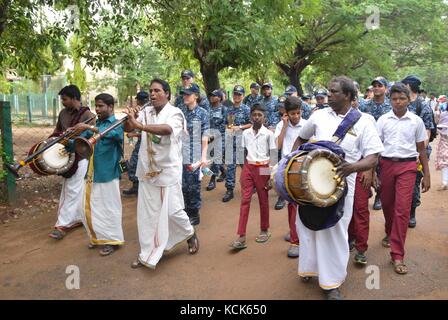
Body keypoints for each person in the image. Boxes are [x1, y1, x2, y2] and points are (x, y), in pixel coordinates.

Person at [292, 76, 383, 300]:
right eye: (328, 91)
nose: (329, 95)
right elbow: (301, 138)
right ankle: (310, 268)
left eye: (334, 92)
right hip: (312, 180)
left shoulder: (364, 121)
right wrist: (292, 161)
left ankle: (331, 282)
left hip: (344, 182)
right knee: (308, 224)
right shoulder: (318, 115)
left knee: (333, 229)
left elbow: (373, 157)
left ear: (349, 96)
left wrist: (352, 167)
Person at [123, 78, 198, 269]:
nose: (153, 94)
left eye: (157, 91)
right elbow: (128, 129)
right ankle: (147, 254)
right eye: (151, 91)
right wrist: (130, 119)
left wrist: (140, 126)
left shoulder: (176, 113)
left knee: (174, 211)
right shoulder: (146, 111)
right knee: (147, 215)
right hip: (147, 170)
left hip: (168, 170)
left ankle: (189, 233)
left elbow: (167, 130)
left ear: (167, 94)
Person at [376, 83, 430, 275]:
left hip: (408, 167)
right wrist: (374, 171)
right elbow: (375, 148)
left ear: (409, 99)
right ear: (390, 100)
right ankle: (389, 231)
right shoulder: (382, 120)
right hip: (386, 165)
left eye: (402, 98)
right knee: (388, 205)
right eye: (394, 99)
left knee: (402, 210)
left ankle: (397, 255)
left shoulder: (416, 121)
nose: (398, 102)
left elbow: (421, 149)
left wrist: (426, 175)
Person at [69, 93, 125, 256]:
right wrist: (68, 141)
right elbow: (81, 141)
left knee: (109, 208)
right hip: (92, 173)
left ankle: (113, 240)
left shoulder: (116, 124)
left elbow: (114, 135)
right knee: (90, 207)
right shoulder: (98, 123)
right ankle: (98, 237)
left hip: (107, 173)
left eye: (101, 106)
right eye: (96, 106)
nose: (97, 109)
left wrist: (88, 127)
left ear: (110, 107)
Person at [48, 84, 95, 240]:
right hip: (65, 156)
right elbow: (57, 132)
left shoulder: (88, 115)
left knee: (73, 189)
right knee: (71, 188)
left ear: (75, 98)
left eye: (65, 99)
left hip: (81, 156)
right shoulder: (63, 113)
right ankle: (77, 218)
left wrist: (73, 140)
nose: (63, 101)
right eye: (62, 99)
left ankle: (62, 224)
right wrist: (47, 144)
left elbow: (91, 138)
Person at [230, 102, 276, 250]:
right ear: (250, 116)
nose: (256, 117)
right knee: (245, 200)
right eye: (254, 115)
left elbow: (273, 156)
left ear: (264, 118)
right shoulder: (245, 133)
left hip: (263, 167)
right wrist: (244, 171)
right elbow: (243, 152)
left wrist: (271, 175)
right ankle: (241, 236)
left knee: (263, 200)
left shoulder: (269, 134)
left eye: (259, 115)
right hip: (249, 167)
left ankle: (264, 229)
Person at [274, 96, 307, 258]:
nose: (295, 116)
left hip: (303, 168)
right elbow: (277, 146)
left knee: (300, 204)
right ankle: (294, 235)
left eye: (298, 113)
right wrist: (285, 127)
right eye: (292, 113)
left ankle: (297, 237)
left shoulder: (307, 125)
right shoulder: (281, 125)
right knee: (291, 203)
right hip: (286, 168)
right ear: (286, 114)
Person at [401, 75, 434, 228]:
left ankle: (411, 213)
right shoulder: (401, 103)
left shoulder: (423, 105)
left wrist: (417, 154)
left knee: (414, 183)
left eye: (403, 85)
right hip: (400, 151)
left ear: (408, 86)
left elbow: (426, 133)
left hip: (417, 153)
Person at [179, 83, 210, 226]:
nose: (185, 96)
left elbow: (205, 136)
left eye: (188, 94)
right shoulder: (180, 111)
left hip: (195, 153)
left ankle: (194, 213)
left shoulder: (203, 113)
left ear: (195, 96)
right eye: (184, 94)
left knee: (193, 184)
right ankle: (184, 210)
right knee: (181, 183)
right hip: (179, 152)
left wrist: (203, 157)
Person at [359, 76, 392, 211]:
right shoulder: (364, 105)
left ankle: (379, 196)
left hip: (385, 144)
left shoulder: (391, 105)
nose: (377, 88)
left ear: (386, 89)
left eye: (380, 85)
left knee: (381, 171)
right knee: (364, 169)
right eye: (375, 85)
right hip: (367, 143)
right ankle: (365, 193)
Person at [222, 85, 252, 202]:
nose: (237, 96)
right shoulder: (229, 109)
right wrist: (229, 128)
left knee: (246, 168)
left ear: (243, 96)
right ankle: (229, 190)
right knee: (230, 168)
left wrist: (239, 127)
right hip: (231, 143)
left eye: (239, 94)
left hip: (244, 144)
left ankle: (249, 187)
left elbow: (251, 124)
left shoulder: (246, 109)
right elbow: (226, 123)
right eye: (235, 94)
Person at [122, 91, 149, 196]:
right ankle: (137, 187)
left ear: (139, 100)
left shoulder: (147, 111)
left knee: (134, 164)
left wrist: (133, 135)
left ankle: (137, 187)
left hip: (146, 143)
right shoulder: (141, 111)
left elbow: (148, 132)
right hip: (142, 142)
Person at [206, 89, 227, 191]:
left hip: (220, 137)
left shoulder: (224, 109)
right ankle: (223, 172)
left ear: (219, 98)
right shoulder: (207, 109)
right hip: (209, 137)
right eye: (211, 95)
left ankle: (212, 179)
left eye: (214, 96)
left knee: (216, 157)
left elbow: (226, 124)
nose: (211, 97)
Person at [435, 111, 448, 190]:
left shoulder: (444, 114)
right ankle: (444, 182)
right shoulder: (444, 114)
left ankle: (445, 182)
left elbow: (438, 126)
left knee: (444, 161)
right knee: (444, 162)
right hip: (444, 140)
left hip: (444, 140)